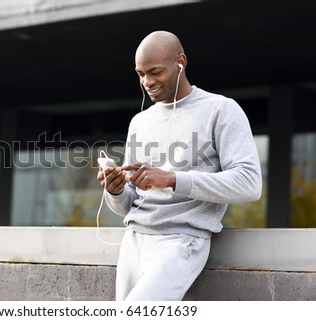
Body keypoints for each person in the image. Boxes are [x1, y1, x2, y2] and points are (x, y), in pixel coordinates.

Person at [96, 31, 262, 301]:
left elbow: (249, 184)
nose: (147, 82)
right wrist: (114, 191)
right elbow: (128, 205)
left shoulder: (221, 110)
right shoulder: (140, 121)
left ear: (181, 62)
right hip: (133, 241)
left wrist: (173, 179)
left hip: (180, 242)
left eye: (155, 72)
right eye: (140, 74)